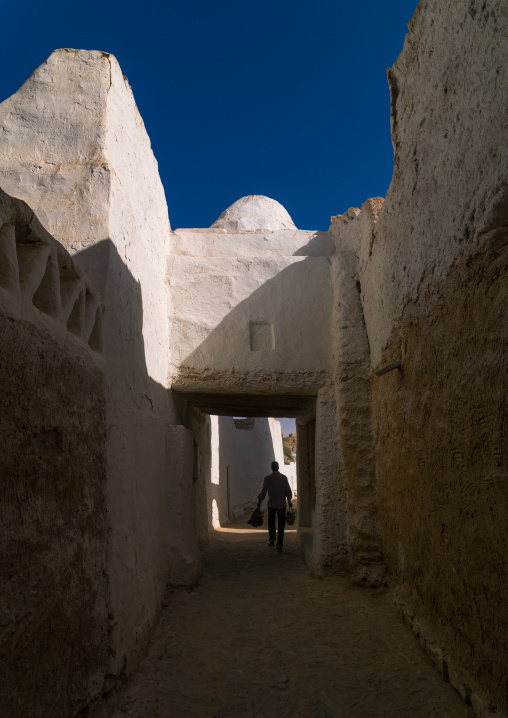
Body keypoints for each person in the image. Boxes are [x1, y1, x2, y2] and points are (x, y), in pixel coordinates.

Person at [257, 461, 293, 552]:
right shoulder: (283, 478)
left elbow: (264, 492)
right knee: (281, 524)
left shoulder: (267, 479)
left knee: (271, 522)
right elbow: (288, 491)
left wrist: (260, 501)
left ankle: (272, 540)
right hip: (281, 504)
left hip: (272, 504)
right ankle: (279, 544)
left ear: (271, 468)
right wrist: (289, 500)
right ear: (278, 467)